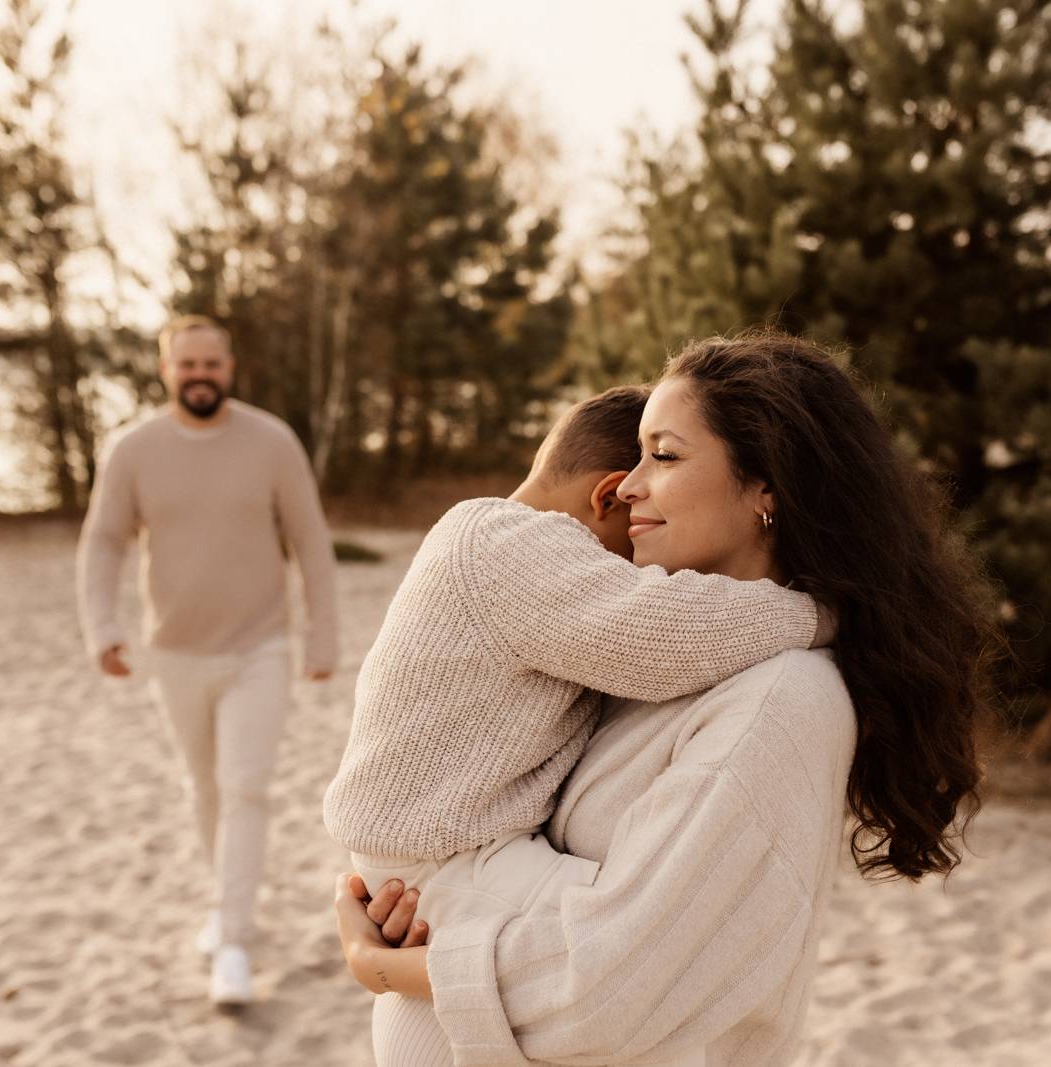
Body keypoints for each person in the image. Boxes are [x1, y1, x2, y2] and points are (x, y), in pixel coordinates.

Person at [333, 330, 1002, 1065]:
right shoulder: (635, 650)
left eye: (666, 454)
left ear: (766, 486)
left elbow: (606, 976)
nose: (627, 487)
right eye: (635, 457)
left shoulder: (780, 696)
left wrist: (383, 966)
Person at [321, 384, 834, 996]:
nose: (644, 566)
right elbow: (660, 632)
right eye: (633, 539)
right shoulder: (510, 545)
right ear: (607, 496)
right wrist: (817, 615)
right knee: (622, 945)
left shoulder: (491, 544)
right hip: (445, 858)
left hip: (436, 853)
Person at [77, 314, 339, 1007]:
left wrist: (323, 632)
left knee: (246, 787)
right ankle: (226, 904)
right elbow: (103, 541)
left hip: (261, 645)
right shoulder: (133, 449)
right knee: (207, 791)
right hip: (175, 652)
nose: (199, 375)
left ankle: (233, 940)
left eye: (210, 364)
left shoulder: (272, 441)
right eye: (185, 364)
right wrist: (101, 624)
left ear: (229, 366)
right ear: (166, 370)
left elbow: (311, 541)